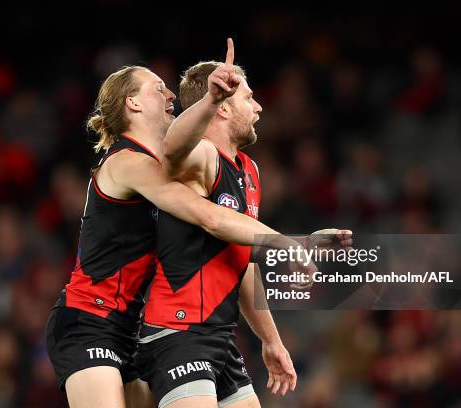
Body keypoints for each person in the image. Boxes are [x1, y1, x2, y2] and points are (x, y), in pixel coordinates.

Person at [46, 60, 350, 408]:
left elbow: (234, 248)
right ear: (133, 103)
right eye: (158, 88)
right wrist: (291, 244)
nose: (170, 93)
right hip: (91, 319)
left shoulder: (219, 169)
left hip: (135, 324)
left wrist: (271, 337)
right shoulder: (128, 163)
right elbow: (209, 216)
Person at [137, 39, 352, 408]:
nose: (259, 106)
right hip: (177, 330)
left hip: (220, 339)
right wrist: (210, 97)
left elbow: (242, 261)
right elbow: (171, 150)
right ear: (221, 108)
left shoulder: (248, 171)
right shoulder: (202, 157)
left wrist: (271, 339)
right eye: (248, 98)